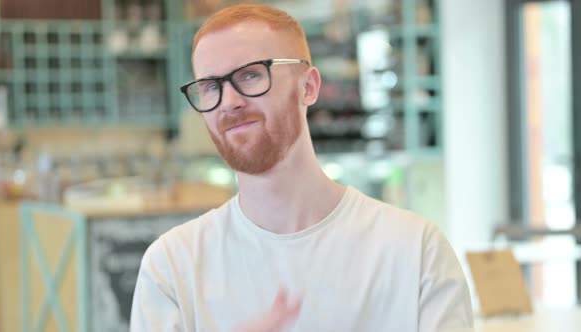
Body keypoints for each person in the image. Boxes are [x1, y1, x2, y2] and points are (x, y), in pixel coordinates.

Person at [130, 4, 473, 332]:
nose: (229, 101)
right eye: (210, 87)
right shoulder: (172, 267)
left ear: (308, 87)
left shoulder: (416, 252)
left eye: (250, 75)